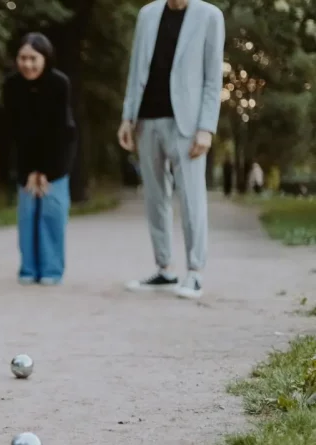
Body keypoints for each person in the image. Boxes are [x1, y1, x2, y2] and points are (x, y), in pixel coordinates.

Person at [117, 0, 225, 299]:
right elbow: (136, 69)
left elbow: (213, 78)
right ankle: (165, 269)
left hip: (187, 124)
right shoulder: (147, 14)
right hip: (146, 120)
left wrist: (206, 127)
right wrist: (127, 117)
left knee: (191, 198)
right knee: (154, 197)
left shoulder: (210, 16)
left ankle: (195, 272)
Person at [2, 33, 76, 285]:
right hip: (26, 159)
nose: (27, 64)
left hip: (57, 157)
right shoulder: (11, 85)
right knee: (28, 213)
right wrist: (28, 171)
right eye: (22, 58)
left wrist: (46, 171)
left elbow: (59, 130)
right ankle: (28, 269)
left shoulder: (59, 83)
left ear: (45, 58)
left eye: (33, 58)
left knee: (51, 214)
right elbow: (14, 131)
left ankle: (51, 270)